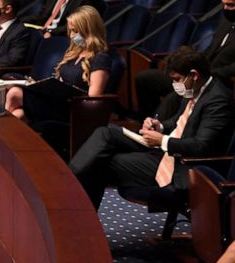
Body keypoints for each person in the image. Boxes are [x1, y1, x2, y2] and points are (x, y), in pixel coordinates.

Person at [69, 46, 234, 211]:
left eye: (177, 79)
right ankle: (68, 175)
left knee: (101, 162)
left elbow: (201, 146)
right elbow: (177, 121)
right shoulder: (195, 89)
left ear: (194, 75)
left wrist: (162, 140)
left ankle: (75, 207)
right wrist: (160, 126)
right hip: (166, 152)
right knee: (107, 131)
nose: (174, 84)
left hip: (180, 165)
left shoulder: (218, 100)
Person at [135, 0, 235, 118]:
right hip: (198, 74)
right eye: (223, 4)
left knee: (175, 96)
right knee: (145, 78)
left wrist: (207, 75)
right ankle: (144, 122)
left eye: (231, 5)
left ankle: (154, 129)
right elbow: (211, 49)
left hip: (218, 81)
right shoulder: (227, 21)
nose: (225, 9)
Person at [6, 5, 112, 121]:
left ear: (89, 30)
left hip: (71, 110)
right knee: (18, 114)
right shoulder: (74, 53)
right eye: (70, 30)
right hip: (56, 102)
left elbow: (93, 99)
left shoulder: (100, 58)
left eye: (75, 31)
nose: (71, 35)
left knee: (15, 93)